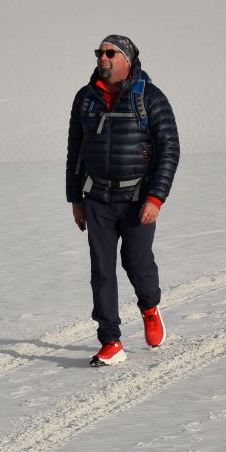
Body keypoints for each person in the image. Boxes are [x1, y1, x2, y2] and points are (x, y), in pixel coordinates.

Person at [66, 34, 181, 366]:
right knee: (101, 270)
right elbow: (76, 150)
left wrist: (156, 198)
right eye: (99, 52)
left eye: (110, 53)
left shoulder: (151, 99)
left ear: (127, 59)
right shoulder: (85, 99)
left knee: (137, 263)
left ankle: (149, 307)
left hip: (137, 198)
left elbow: (169, 150)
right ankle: (111, 341)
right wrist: (75, 198)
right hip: (97, 197)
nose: (102, 58)